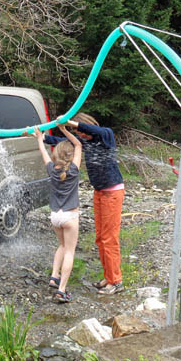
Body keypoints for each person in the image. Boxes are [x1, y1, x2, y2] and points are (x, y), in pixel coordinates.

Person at [44, 113, 125, 295]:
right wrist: (41, 136)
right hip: (99, 193)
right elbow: (59, 140)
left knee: (109, 238)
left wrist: (71, 122)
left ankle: (116, 281)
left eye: (80, 131)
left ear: (87, 126)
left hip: (112, 192)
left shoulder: (106, 136)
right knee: (100, 238)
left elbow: (96, 130)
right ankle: (109, 277)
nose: (80, 136)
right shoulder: (86, 143)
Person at [31, 125, 82, 303]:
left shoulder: (52, 169)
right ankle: (61, 290)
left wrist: (39, 137)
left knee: (61, 245)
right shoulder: (73, 170)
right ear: (70, 157)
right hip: (69, 216)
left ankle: (54, 276)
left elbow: (42, 151)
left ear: (56, 155)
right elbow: (78, 145)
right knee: (70, 251)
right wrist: (64, 128)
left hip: (55, 217)